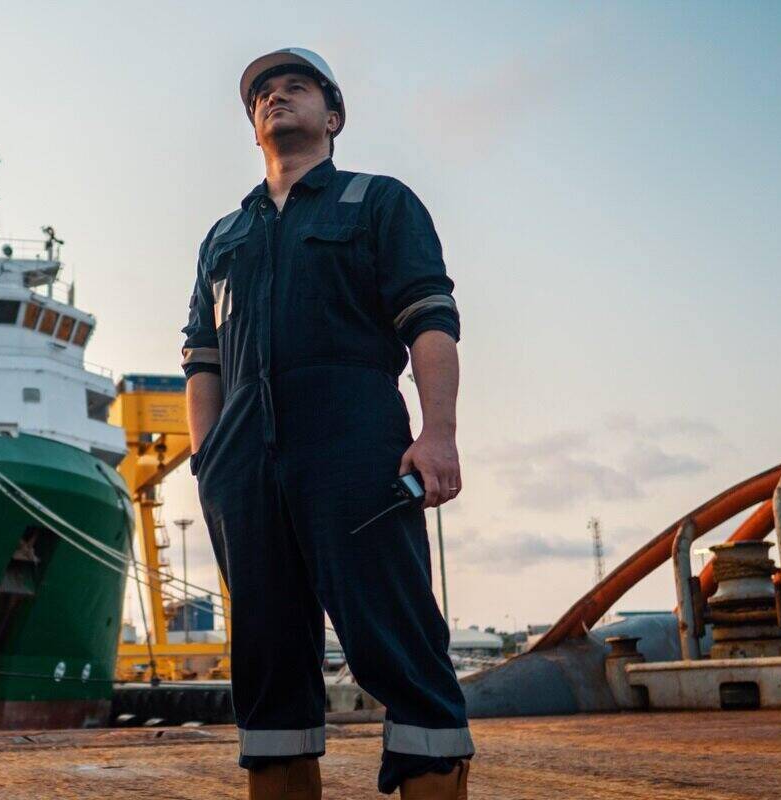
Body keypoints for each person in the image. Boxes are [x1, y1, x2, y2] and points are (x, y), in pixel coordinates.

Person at [180, 47, 472, 799]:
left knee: (401, 651)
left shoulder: (378, 202)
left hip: (354, 445)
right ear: (253, 128)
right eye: (263, 95)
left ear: (332, 116)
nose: (277, 98)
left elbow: (431, 321)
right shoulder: (224, 238)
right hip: (244, 469)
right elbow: (201, 360)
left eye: (296, 87)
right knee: (268, 674)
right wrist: (208, 463)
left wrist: (436, 434)